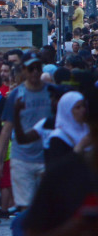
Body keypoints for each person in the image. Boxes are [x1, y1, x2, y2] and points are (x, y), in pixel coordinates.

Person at [21, 88, 98, 236]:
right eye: (77, 107)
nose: (81, 111)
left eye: (83, 107)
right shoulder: (58, 139)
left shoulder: (84, 133)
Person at [0, 51, 50, 210]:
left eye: (38, 68)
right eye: (31, 68)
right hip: (22, 158)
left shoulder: (51, 92)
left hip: (46, 157)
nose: (35, 72)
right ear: (24, 70)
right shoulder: (16, 95)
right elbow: (6, 130)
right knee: (26, 208)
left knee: (46, 206)